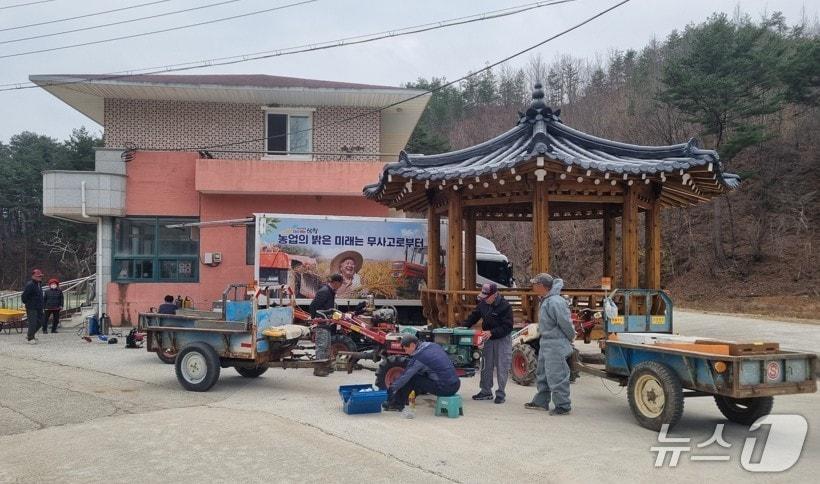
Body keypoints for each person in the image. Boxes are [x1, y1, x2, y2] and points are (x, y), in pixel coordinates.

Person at [525, 273, 575, 415]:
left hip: (555, 343)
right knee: (543, 373)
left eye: (535, 284)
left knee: (557, 374)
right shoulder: (547, 300)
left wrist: (570, 337)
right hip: (546, 341)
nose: (533, 286)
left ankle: (563, 405)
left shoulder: (555, 301)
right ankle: (541, 401)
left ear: (541, 286)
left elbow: (565, 323)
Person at [461, 282, 513, 404]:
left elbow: (508, 326)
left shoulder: (505, 306)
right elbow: (474, 316)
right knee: (486, 365)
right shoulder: (483, 303)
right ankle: (485, 391)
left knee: (502, 366)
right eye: (483, 297)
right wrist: (463, 327)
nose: (484, 299)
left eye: (487, 297)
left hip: (502, 338)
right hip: (487, 337)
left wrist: (492, 332)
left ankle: (500, 393)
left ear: (494, 295)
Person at [383, 334, 461, 411]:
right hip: (456, 384)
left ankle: (396, 404)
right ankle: (408, 398)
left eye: (406, 349)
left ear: (412, 345)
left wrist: (391, 388)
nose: (406, 352)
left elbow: (405, 377)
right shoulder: (433, 345)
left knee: (412, 377)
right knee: (420, 375)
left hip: (445, 388)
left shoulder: (419, 358)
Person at [309, 273, 343, 377]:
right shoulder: (324, 291)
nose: (340, 286)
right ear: (336, 282)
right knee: (322, 346)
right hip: (322, 324)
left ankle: (326, 366)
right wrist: (316, 318)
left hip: (327, 323)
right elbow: (313, 306)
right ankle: (319, 369)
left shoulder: (330, 291)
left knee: (327, 346)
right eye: (340, 284)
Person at [21, 269, 44, 344]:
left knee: (41, 321)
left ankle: (30, 335)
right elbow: (24, 296)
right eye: (37, 276)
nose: (39, 277)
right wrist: (28, 303)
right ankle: (30, 338)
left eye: (40, 276)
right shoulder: (30, 284)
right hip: (31, 307)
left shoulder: (39, 284)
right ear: (33, 276)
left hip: (39, 306)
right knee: (33, 323)